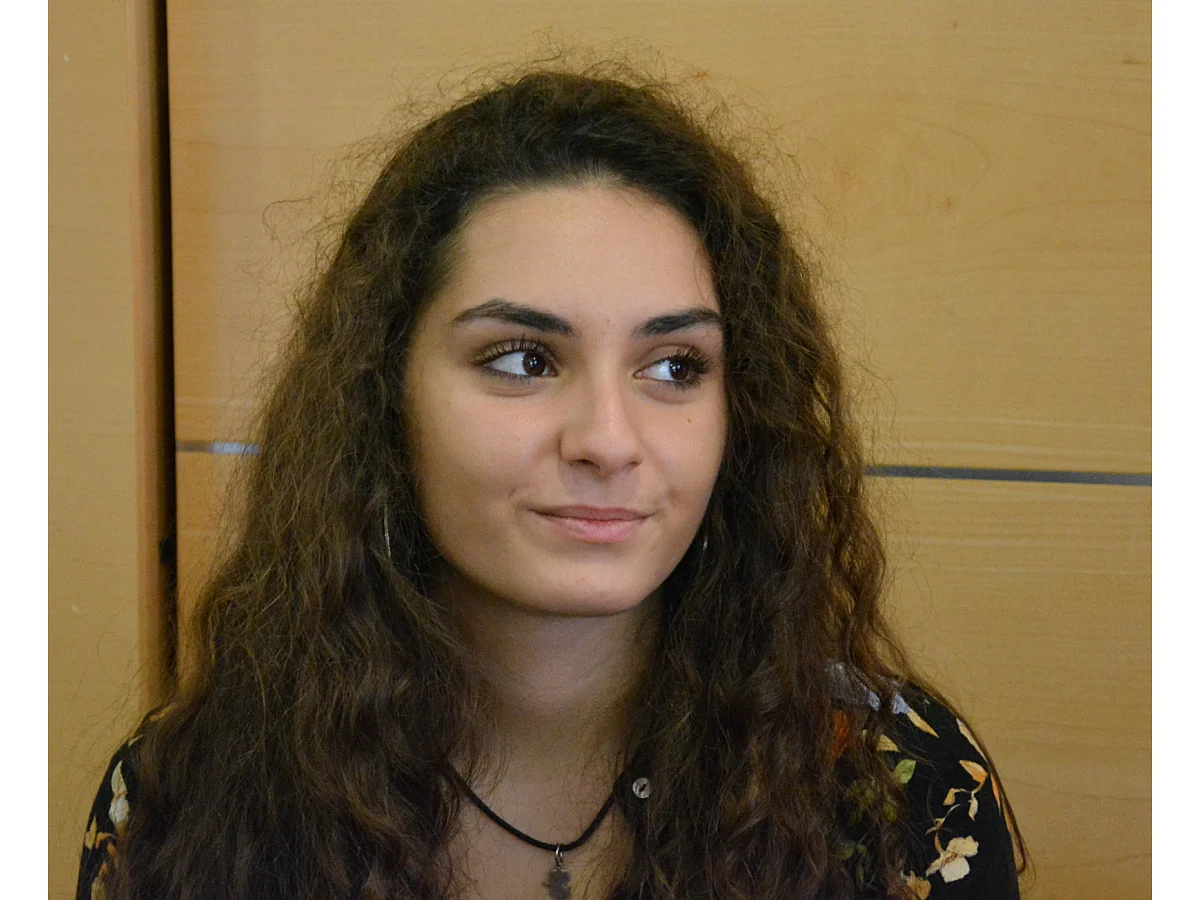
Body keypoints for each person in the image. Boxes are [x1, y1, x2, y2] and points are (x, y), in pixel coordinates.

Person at [76, 59, 1025, 900]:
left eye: (675, 367)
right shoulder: (186, 796)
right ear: (382, 395)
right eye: (525, 359)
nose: (609, 441)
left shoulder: (899, 791)